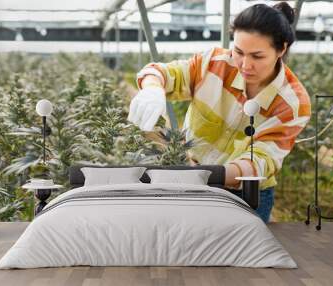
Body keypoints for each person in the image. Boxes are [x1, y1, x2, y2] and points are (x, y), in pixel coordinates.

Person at [127, 2, 311, 223]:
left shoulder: (293, 103)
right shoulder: (213, 64)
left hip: (246, 194)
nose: (245, 65)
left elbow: (261, 161)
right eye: (239, 52)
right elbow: (164, 72)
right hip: (191, 181)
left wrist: (208, 174)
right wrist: (153, 87)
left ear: (281, 49)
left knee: (238, 254)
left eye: (257, 56)